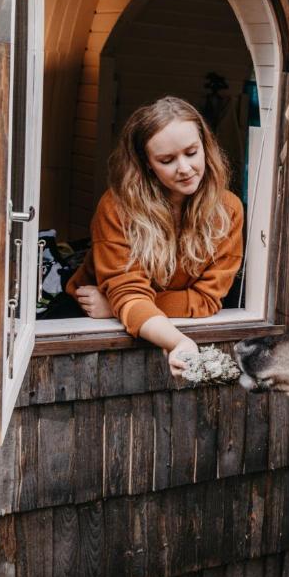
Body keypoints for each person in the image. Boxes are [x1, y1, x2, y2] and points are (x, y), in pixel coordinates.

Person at [66, 96, 244, 377]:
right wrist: (177, 339)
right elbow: (128, 291)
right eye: (167, 160)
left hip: (120, 316)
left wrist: (114, 306)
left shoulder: (229, 209)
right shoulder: (117, 207)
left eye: (191, 152)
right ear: (147, 163)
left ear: (206, 148)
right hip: (86, 327)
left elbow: (207, 300)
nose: (184, 168)